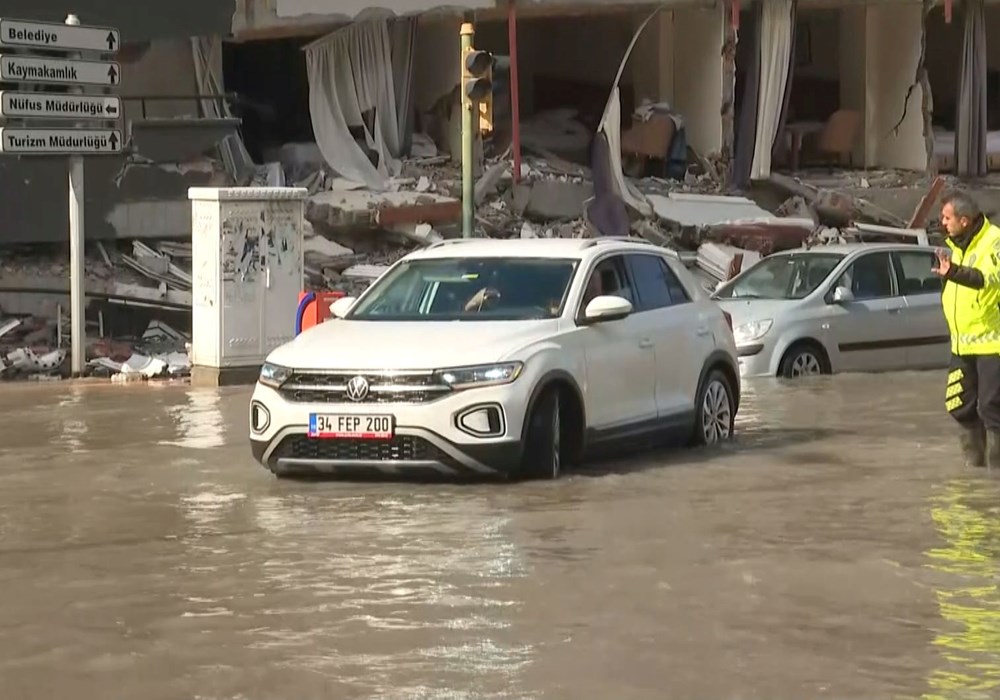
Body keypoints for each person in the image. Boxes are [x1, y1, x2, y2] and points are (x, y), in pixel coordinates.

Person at [934, 191, 1000, 468]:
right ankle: (975, 474)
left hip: (992, 345)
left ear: (964, 220)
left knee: (991, 410)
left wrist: (953, 273)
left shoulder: (994, 241)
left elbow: (987, 280)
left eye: (947, 218)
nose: (942, 223)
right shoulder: (954, 245)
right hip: (962, 346)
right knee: (958, 405)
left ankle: (994, 481)